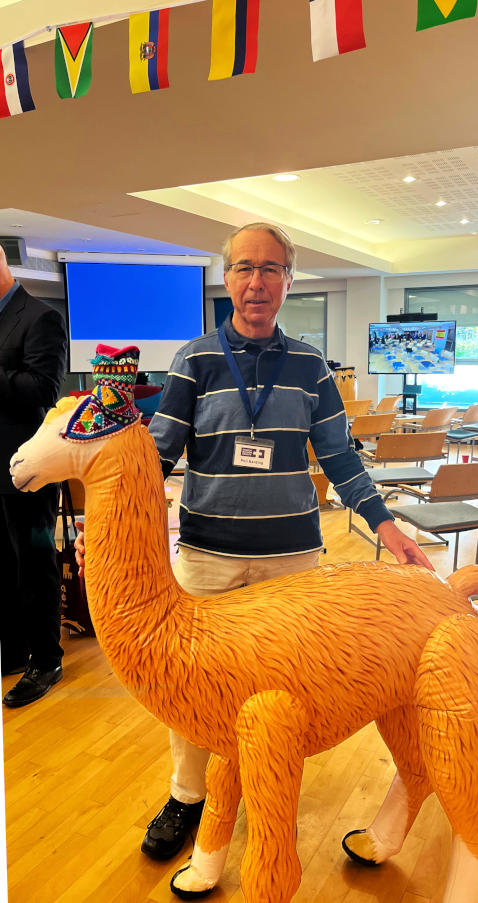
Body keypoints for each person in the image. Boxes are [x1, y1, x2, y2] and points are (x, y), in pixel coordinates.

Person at [75, 222, 432, 860]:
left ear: (288, 281)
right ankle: (189, 795)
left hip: (291, 564)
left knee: (283, 693)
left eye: (270, 269)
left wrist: (384, 523)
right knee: (185, 689)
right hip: (208, 559)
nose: (256, 281)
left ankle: (264, 792)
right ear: (228, 277)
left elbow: (339, 454)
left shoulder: (309, 365)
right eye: (244, 268)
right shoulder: (197, 358)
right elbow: (155, 456)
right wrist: (106, 529)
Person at [0, 245, 67, 705]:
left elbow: (43, 388)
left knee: (34, 566)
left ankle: (45, 660)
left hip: (26, 471)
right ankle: (12, 650)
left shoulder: (40, 316)